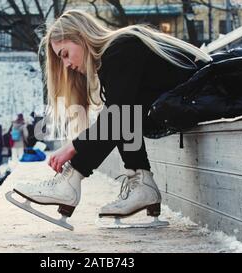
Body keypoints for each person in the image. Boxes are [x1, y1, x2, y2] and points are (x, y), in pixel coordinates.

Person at [11, 10, 212, 225]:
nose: (67, 65)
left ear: (81, 37)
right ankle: (140, 180)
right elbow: (122, 114)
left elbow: (117, 115)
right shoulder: (115, 57)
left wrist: (73, 148)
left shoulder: (122, 47)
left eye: (65, 54)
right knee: (122, 112)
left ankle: (70, 182)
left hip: (210, 95)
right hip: (193, 100)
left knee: (118, 114)